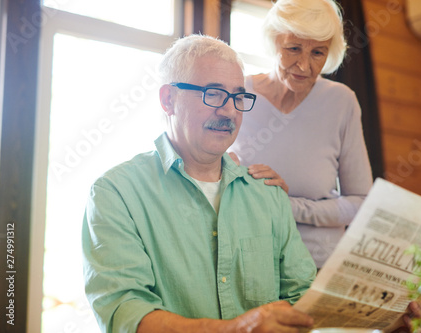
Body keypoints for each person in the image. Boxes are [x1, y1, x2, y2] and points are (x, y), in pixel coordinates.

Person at [82, 34, 318, 333]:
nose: (230, 111)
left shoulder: (268, 194)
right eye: (214, 94)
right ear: (169, 99)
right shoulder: (116, 193)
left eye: (237, 97)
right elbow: (125, 314)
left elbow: (304, 299)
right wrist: (235, 330)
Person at [229, 0, 373, 269]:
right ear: (273, 42)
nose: (304, 66)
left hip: (317, 264)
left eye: (318, 53)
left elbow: (360, 203)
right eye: (293, 48)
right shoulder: (239, 94)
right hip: (250, 263)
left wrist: (289, 205)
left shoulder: (341, 102)